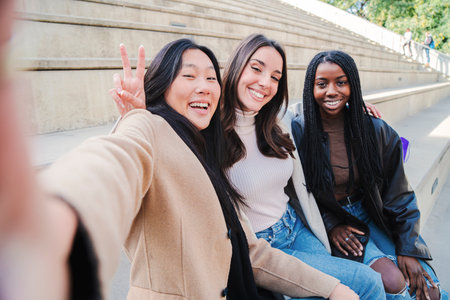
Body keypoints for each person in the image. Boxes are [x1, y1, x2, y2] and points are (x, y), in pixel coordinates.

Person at [1, 36, 360, 299]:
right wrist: (59, 215)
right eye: (189, 76)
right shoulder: (148, 128)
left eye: (209, 77)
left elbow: (250, 252)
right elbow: (112, 161)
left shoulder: (205, 147)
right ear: (163, 83)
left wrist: (332, 290)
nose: (203, 86)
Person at [291, 50, 448, 300]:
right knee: (391, 280)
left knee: (428, 291)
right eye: (322, 84)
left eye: (341, 82)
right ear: (311, 88)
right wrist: (330, 225)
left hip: (373, 211)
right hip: (335, 219)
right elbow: (298, 192)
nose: (332, 91)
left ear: (353, 85)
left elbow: (400, 195)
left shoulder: (376, 131)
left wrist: (408, 248)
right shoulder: (299, 133)